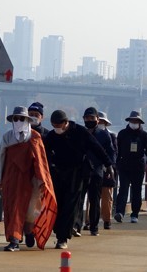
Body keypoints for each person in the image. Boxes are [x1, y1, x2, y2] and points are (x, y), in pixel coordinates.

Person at [44, 110, 114, 249]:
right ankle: (59, 231)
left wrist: (108, 164)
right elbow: (44, 154)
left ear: (66, 122)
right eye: (53, 125)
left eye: (59, 125)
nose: (56, 128)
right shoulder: (51, 136)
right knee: (59, 204)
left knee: (71, 205)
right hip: (58, 174)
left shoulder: (80, 132)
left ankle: (63, 238)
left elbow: (96, 148)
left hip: (77, 173)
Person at [0, 106, 57, 251]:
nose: (19, 121)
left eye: (22, 118)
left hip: (30, 181)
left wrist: (42, 181)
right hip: (11, 179)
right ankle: (14, 239)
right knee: (12, 208)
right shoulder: (7, 137)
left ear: (27, 120)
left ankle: (28, 232)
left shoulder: (34, 137)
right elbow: (1, 158)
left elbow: (41, 161)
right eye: (16, 118)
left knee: (30, 211)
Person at [75, 107, 115, 236]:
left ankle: (94, 227)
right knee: (79, 199)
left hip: (97, 170)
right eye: (87, 118)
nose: (89, 120)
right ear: (84, 119)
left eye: (92, 118)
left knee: (95, 200)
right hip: (82, 170)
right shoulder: (80, 133)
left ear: (98, 119)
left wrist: (110, 167)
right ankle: (77, 225)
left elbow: (110, 152)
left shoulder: (104, 134)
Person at [114, 110, 147, 223]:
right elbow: (118, 151)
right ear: (129, 121)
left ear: (140, 122)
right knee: (123, 189)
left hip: (138, 166)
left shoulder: (144, 135)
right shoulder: (122, 134)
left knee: (136, 191)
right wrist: (116, 164)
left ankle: (134, 213)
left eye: (136, 121)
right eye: (132, 120)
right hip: (124, 166)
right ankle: (120, 212)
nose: (134, 122)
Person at [98, 111, 117, 229]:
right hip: (94, 168)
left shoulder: (112, 136)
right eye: (98, 121)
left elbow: (114, 153)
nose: (100, 123)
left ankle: (107, 220)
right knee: (92, 197)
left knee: (107, 196)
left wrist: (110, 167)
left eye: (102, 121)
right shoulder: (91, 134)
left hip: (107, 169)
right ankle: (89, 221)